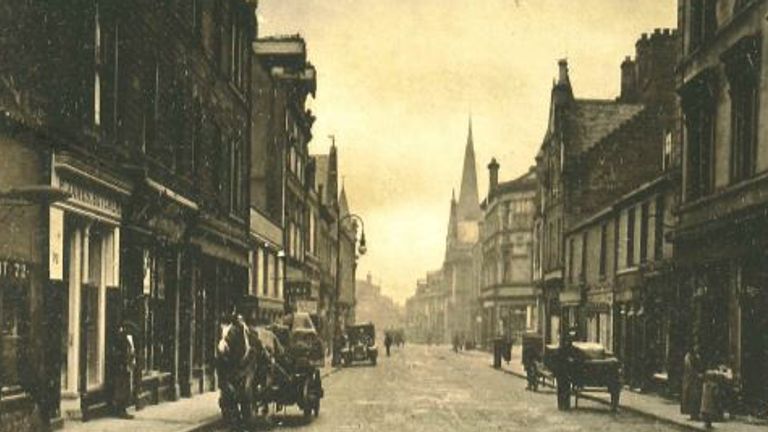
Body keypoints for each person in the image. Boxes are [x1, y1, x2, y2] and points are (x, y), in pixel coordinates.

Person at [112, 321, 137, 419]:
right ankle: (121, 410)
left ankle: (123, 409)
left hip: (127, 367)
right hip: (121, 367)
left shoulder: (129, 338)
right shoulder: (120, 338)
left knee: (126, 388)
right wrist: (123, 363)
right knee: (122, 389)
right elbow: (119, 353)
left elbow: (132, 351)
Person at [555, 329, 576, 411]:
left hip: (565, 371)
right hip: (561, 371)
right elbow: (558, 359)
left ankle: (565, 405)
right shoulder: (561, 350)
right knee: (562, 388)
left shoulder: (568, 349)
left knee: (565, 388)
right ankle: (561, 405)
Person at [681, 345, 704, 420]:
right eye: (695, 346)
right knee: (690, 396)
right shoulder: (688, 356)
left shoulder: (698, 356)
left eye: (698, 347)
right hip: (690, 379)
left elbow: (700, 366)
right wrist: (697, 374)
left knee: (696, 397)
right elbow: (689, 368)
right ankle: (692, 414)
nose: (697, 348)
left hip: (696, 380)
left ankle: (695, 413)